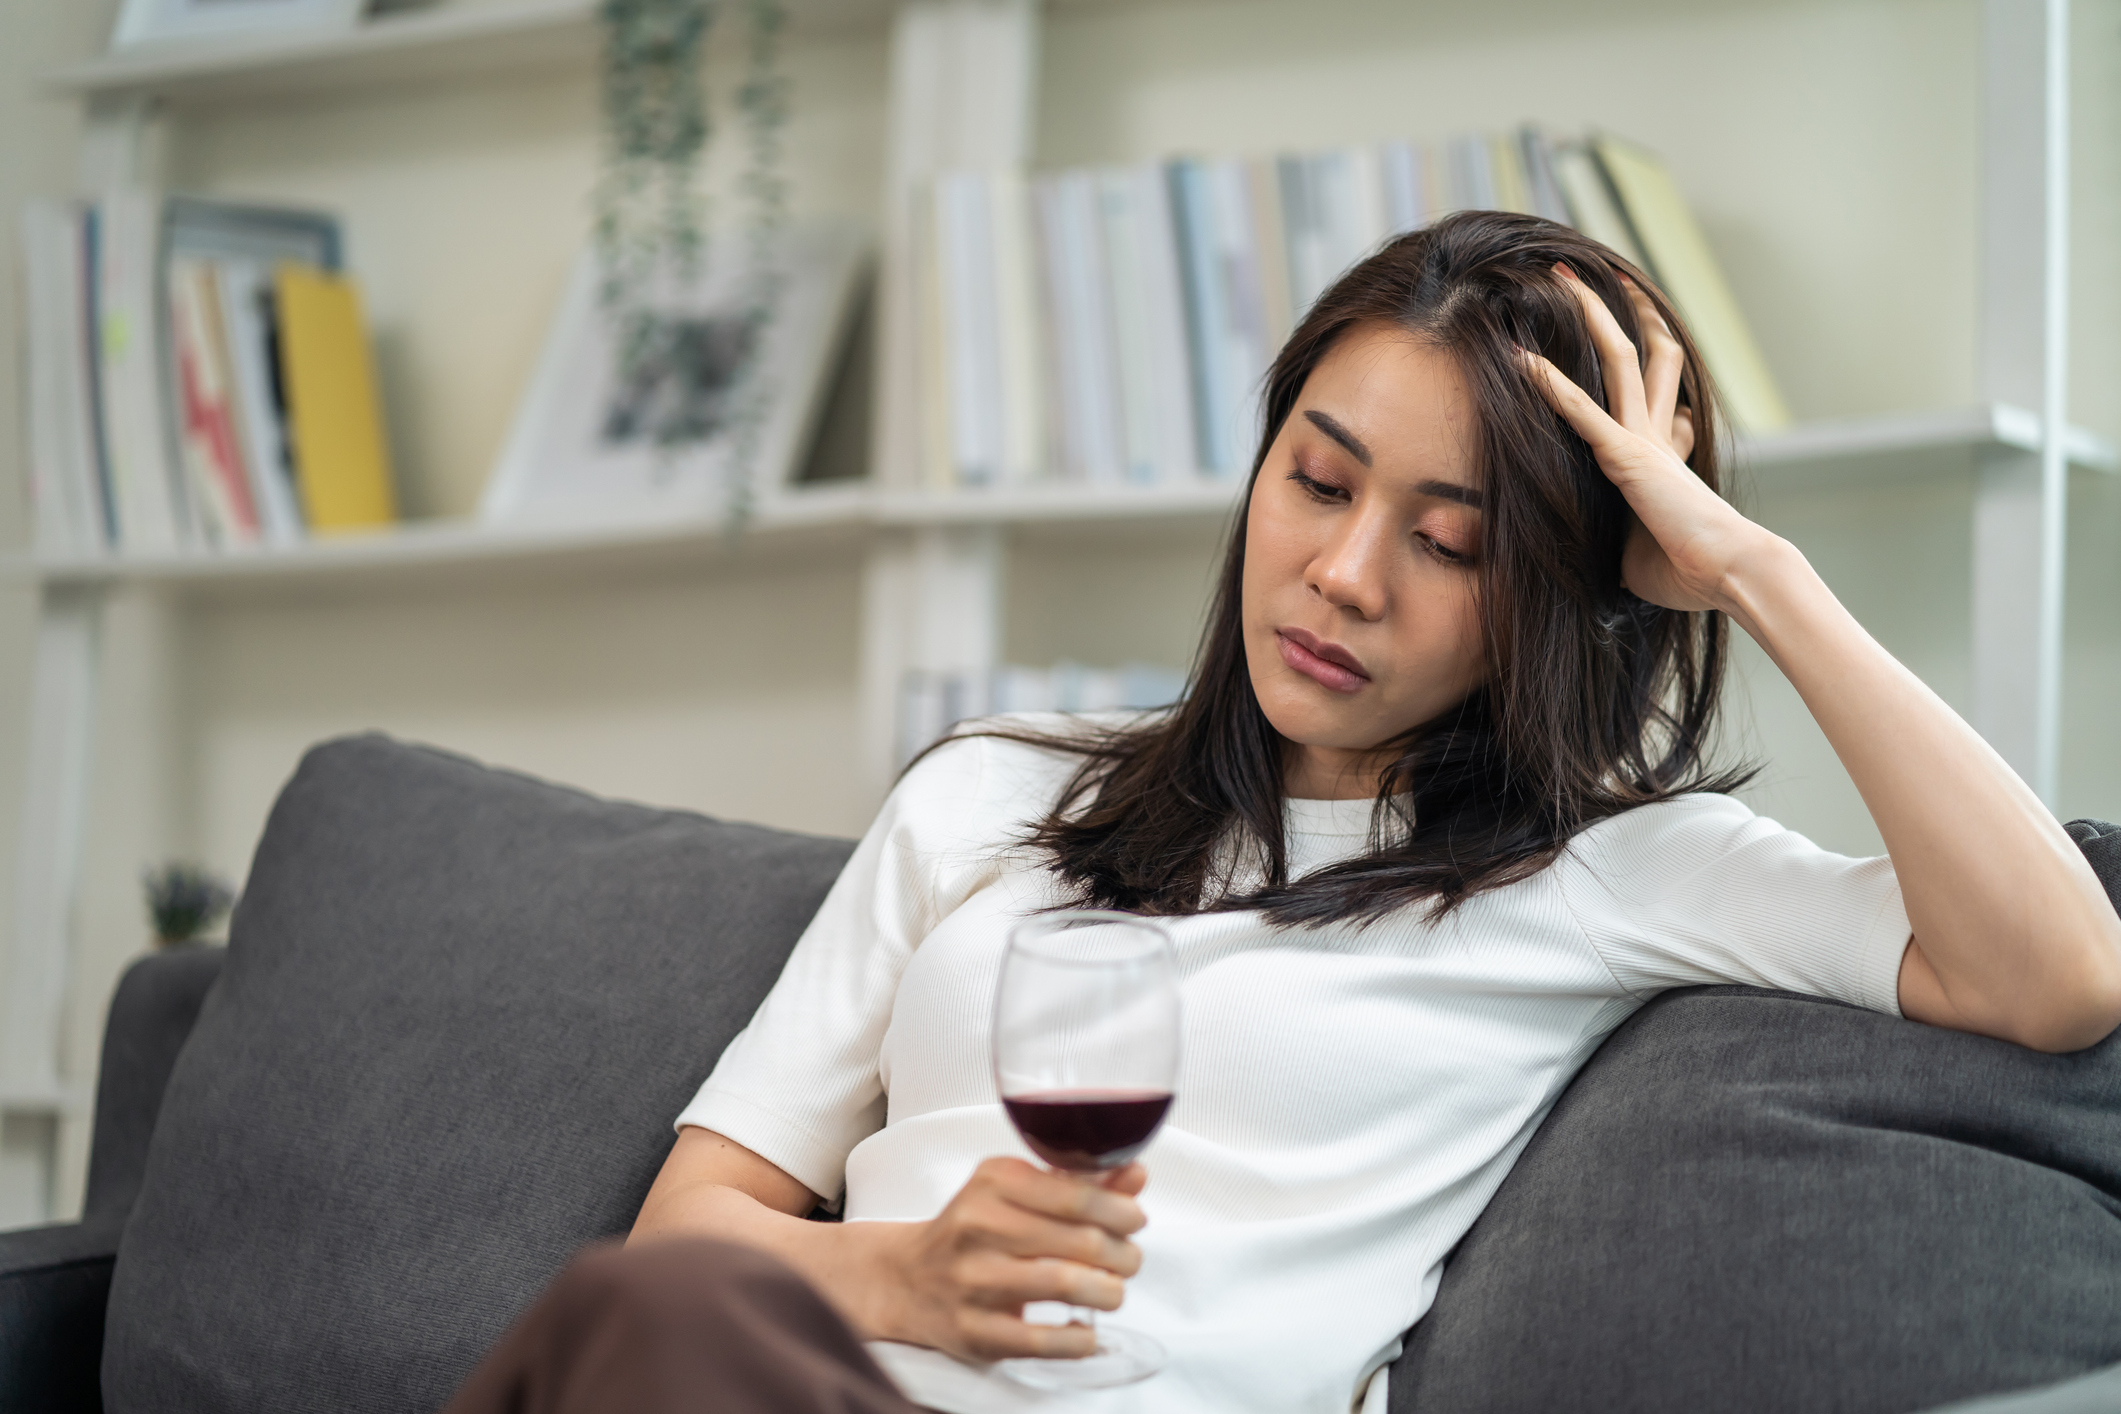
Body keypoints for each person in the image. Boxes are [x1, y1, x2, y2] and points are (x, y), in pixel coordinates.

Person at [444, 211, 2121, 1414]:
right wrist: (902, 1275)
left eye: (1447, 542)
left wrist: (1743, 571)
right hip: (780, 1376)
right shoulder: (992, 790)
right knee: (623, 1312)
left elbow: (2057, 973)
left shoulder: (1602, 868)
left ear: (1550, 592)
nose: (1341, 571)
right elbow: (693, 1231)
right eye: (1317, 481)